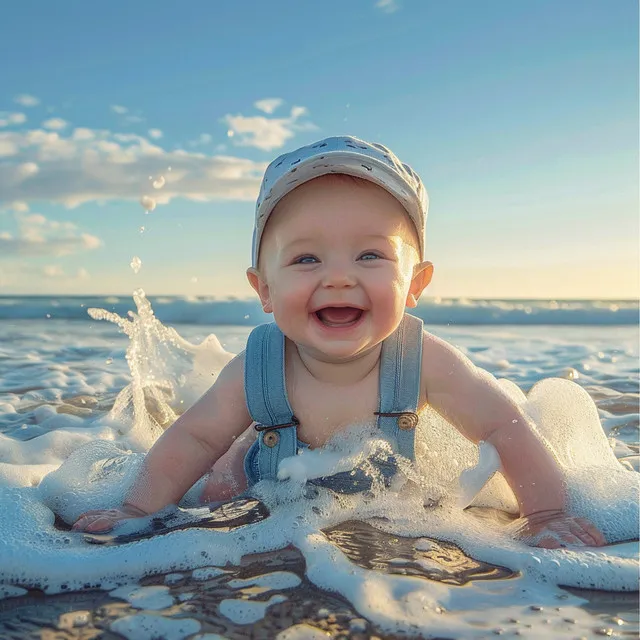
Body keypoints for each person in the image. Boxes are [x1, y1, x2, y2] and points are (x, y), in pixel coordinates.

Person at [73, 136, 606, 549]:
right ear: (264, 289)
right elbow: (192, 438)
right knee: (219, 491)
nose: (339, 278)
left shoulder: (422, 362)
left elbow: (502, 424)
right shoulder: (257, 367)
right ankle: (242, 450)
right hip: (271, 480)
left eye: (370, 256)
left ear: (415, 284)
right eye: (306, 259)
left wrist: (546, 515)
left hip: (381, 495)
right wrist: (137, 510)